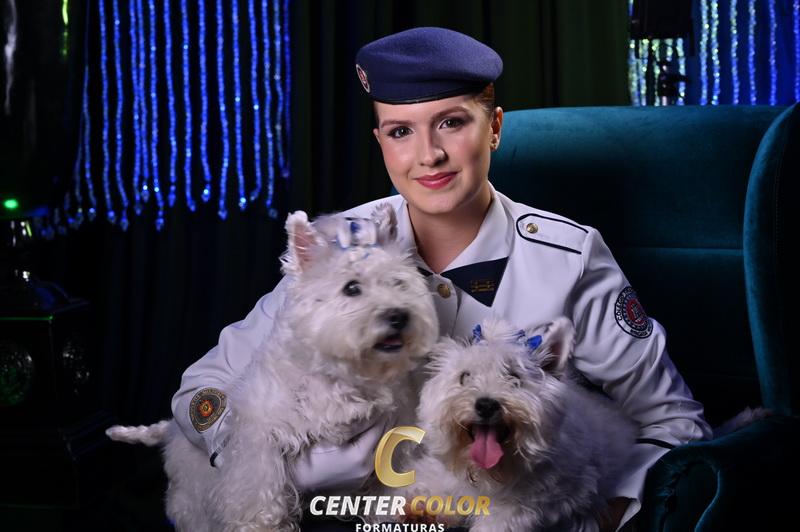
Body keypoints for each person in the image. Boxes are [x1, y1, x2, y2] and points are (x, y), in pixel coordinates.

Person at [172, 27, 711, 531]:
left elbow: (674, 422)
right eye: (401, 131)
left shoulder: (568, 257)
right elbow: (200, 392)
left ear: (494, 128)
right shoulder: (339, 250)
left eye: (452, 122)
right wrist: (258, 451)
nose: (428, 154)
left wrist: (604, 516)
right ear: (380, 141)